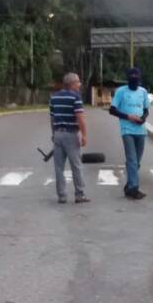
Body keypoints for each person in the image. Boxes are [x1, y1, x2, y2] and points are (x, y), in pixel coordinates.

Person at [109, 67, 150, 199]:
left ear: (139, 79)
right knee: (132, 159)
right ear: (128, 79)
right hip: (127, 130)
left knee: (136, 162)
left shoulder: (143, 91)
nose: (134, 82)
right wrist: (128, 117)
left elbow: (146, 110)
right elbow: (112, 110)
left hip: (141, 130)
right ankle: (134, 188)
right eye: (132, 79)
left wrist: (143, 118)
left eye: (136, 79)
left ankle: (128, 185)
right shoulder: (121, 91)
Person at [49, 72, 90, 205]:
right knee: (76, 166)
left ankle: (62, 196)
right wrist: (84, 134)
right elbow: (80, 118)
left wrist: (53, 133)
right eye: (78, 82)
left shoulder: (54, 97)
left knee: (59, 167)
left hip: (58, 134)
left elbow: (52, 118)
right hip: (71, 134)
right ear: (72, 84)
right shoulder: (75, 97)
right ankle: (80, 194)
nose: (79, 84)